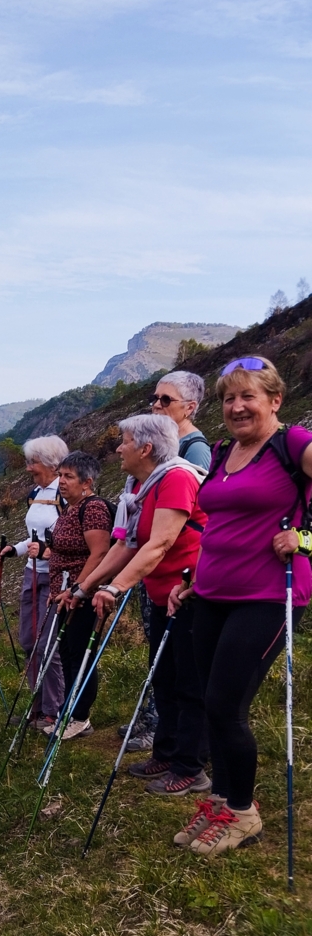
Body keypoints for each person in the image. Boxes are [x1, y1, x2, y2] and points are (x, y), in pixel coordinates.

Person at [168, 356, 312, 855]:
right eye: (229, 398)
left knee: (227, 706)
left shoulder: (294, 445)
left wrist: (306, 539)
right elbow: (221, 526)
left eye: (248, 396)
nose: (237, 407)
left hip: (267, 597)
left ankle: (244, 813)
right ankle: (222, 803)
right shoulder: (223, 451)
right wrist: (193, 578)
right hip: (211, 595)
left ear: (275, 400)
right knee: (210, 703)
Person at [74, 414, 209, 797]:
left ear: (146, 448)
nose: (119, 448)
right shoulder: (144, 486)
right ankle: (166, 753)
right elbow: (127, 545)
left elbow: (159, 543)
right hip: (161, 594)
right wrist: (85, 588)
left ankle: (191, 767)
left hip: (189, 594)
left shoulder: (177, 478)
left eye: (125, 441)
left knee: (189, 683)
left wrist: (115, 588)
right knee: (163, 677)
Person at [0, 435, 68, 728]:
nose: (28, 467)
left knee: (46, 644)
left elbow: (72, 538)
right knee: (28, 640)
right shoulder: (35, 493)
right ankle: (36, 706)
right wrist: (15, 550)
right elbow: (34, 538)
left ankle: (54, 709)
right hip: (31, 572)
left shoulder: (64, 494)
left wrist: (50, 550)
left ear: (51, 463)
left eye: (33, 462)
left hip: (54, 575)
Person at [46, 451, 113, 739]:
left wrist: (78, 589)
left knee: (81, 655)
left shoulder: (93, 508)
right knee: (68, 654)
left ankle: (80, 716)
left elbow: (100, 552)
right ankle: (69, 711)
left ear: (87, 482)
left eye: (68, 476)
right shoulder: (70, 508)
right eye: (60, 475)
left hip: (84, 596)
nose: (61, 481)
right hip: (66, 595)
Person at [150, 371, 212, 468]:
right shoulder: (157, 437)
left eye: (166, 400)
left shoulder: (196, 449)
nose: (157, 405)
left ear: (189, 408)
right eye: (155, 398)